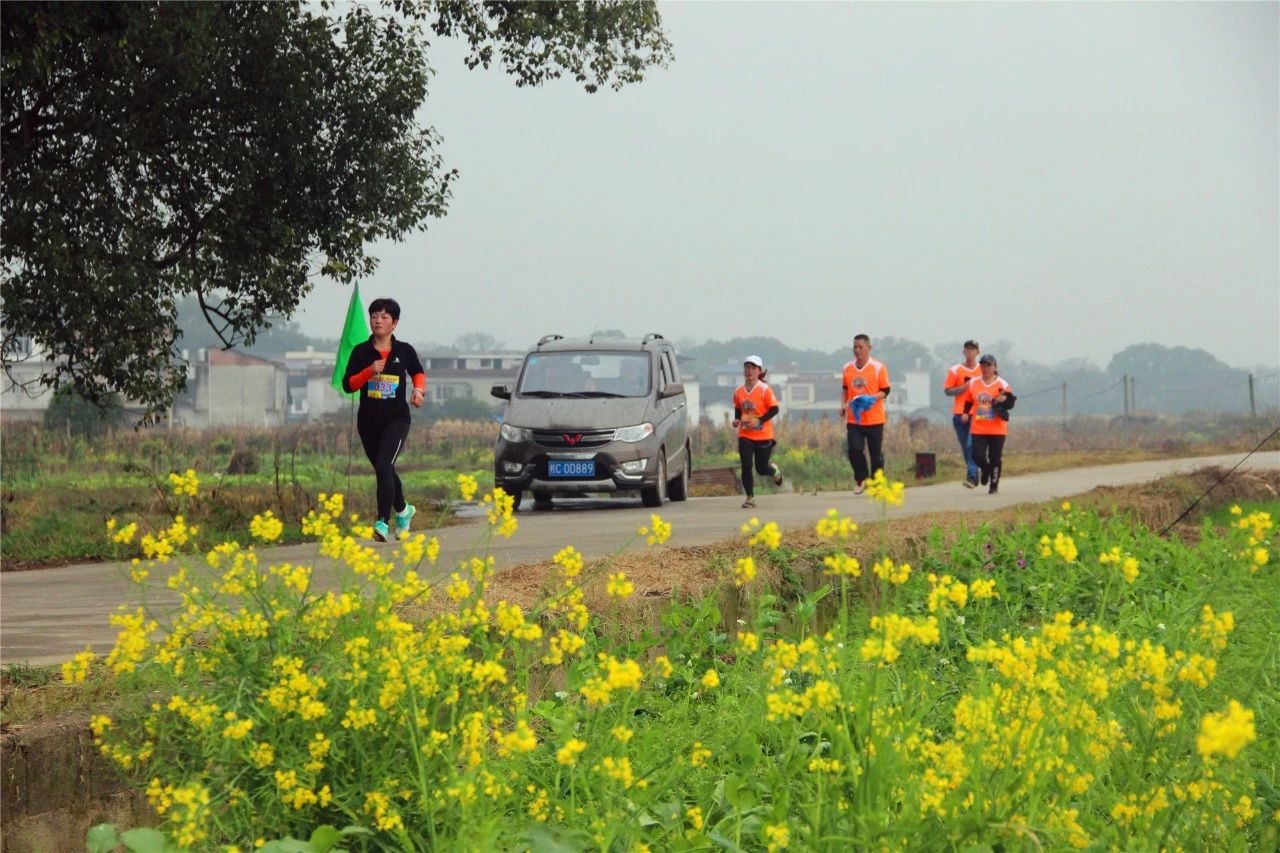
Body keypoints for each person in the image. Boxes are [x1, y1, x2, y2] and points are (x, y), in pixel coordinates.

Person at [342, 298, 426, 541]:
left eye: (384, 316)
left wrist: (418, 390)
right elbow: (348, 385)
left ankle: (382, 522)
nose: (378, 320)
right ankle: (403, 510)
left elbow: (418, 372)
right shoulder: (361, 351)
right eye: (374, 315)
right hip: (368, 421)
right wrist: (369, 370)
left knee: (383, 466)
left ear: (394, 323)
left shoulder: (404, 351)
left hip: (396, 419)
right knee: (384, 468)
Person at [840, 334, 891, 494]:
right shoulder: (847, 368)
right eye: (855, 347)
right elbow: (845, 389)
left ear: (869, 348)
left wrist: (871, 398)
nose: (857, 350)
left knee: (876, 454)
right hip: (855, 418)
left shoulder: (878, 367)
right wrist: (843, 404)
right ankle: (861, 478)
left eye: (861, 347)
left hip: (875, 418)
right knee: (854, 449)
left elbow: (886, 390)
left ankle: (877, 484)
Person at [959, 354, 1015, 494]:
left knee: (995, 457)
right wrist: (965, 413)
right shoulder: (973, 383)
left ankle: (994, 485)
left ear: (995, 367)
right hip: (979, 428)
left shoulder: (1002, 384)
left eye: (989, 365)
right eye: (983, 365)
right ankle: (986, 469)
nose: (985, 368)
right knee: (977, 455)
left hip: (997, 428)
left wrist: (1004, 399)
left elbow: (1010, 403)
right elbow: (969, 400)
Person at [733, 355, 784, 509]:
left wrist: (759, 421)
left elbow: (775, 409)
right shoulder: (739, 391)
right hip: (745, 435)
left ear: (759, 371)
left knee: (762, 469)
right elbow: (738, 408)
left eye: (753, 368)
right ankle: (750, 498)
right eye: (747, 367)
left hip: (763, 435)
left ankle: (774, 470)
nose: (749, 370)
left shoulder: (764, 390)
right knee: (746, 465)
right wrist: (737, 420)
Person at [943, 340, 983, 488]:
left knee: (971, 444)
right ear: (964, 352)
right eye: (968, 349)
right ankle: (973, 471)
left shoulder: (982, 370)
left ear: (978, 352)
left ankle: (972, 475)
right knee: (965, 445)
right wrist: (964, 387)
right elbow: (948, 391)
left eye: (973, 350)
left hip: (978, 412)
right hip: (959, 412)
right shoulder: (955, 370)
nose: (970, 352)